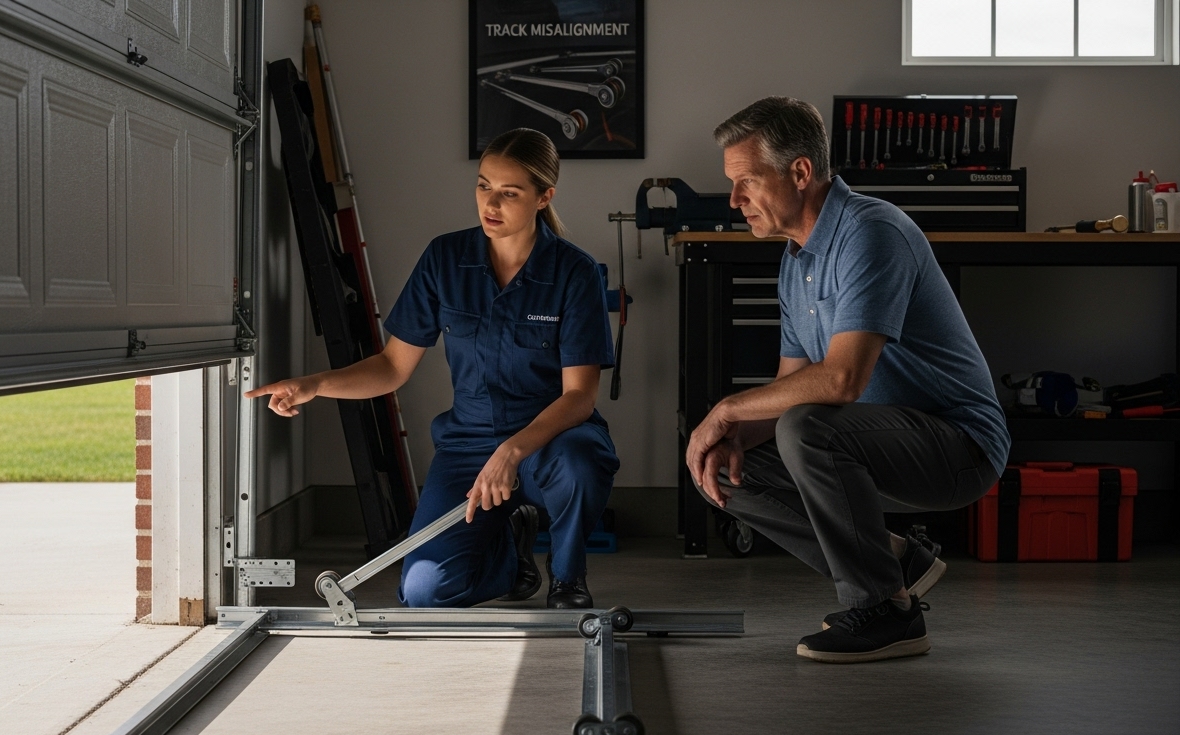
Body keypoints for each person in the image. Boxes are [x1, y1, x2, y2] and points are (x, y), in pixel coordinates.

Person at [686, 97, 1010, 663]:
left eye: (746, 182)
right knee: (722, 463)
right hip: (874, 446)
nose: (734, 199)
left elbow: (840, 382)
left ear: (801, 172)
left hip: (958, 447)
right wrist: (730, 435)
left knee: (807, 427)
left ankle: (887, 611)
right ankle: (898, 563)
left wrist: (727, 407)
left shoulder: (871, 231)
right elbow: (793, 383)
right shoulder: (796, 258)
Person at [247, 128, 618, 610]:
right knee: (425, 592)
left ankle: (568, 579)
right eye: (484, 185)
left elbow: (579, 397)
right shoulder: (446, 259)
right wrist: (314, 384)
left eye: (510, 192)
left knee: (579, 465)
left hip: (552, 440)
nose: (491, 202)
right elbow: (392, 366)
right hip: (469, 444)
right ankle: (510, 549)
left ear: (544, 196)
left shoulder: (575, 272)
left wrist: (512, 451)